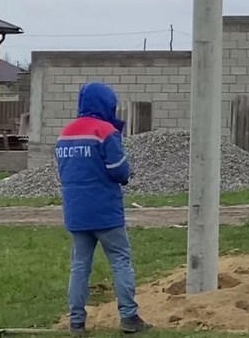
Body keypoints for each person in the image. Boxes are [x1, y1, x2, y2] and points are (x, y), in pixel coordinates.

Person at [55, 81, 151, 334]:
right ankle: (129, 318)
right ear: (107, 103)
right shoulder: (105, 131)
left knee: (79, 266)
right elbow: (119, 171)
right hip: (106, 212)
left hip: (76, 212)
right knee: (120, 261)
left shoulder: (65, 134)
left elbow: (64, 171)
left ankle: (76, 322)